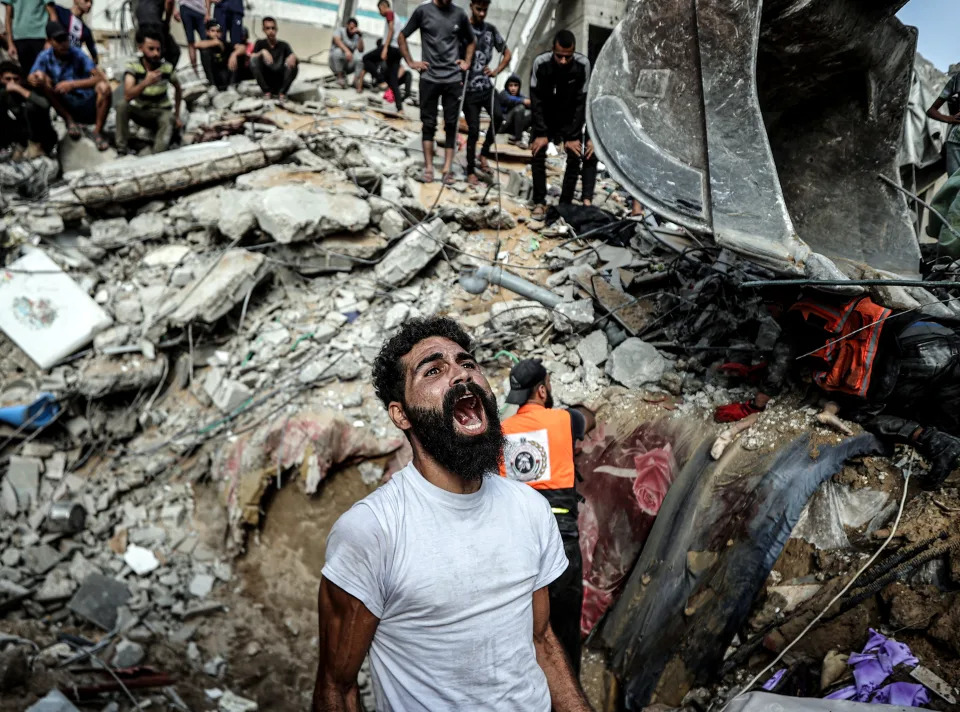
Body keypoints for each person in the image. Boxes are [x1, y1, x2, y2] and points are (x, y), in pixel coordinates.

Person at [313, 316, 594, 712]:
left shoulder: (530, 508)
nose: (461, 375)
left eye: (467, 363)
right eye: (434, 370)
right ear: (401, 414)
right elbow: (336, 688)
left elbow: (542, 639)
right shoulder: (372, 531)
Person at [713, 292, 960, 490]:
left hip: (906, 358)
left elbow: (780, 364)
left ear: (776, 302)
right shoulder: (837, 297)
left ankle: (932, 441)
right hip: (938, 336)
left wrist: (754, 406)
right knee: (948, 413)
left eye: (770, 309)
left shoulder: (799, 317)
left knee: (862, 414)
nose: (772, 315)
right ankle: (950, 447)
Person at [500, 358, 596, 676]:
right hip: (561, 537)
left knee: (525, 629)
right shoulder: (565, 420)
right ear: (541, 390)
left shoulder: (500, 433)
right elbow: (589, 419)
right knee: (566, 628)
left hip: (517, 542)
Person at [398, 0, 476, 185]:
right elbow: (401, 36)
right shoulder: (423, 12)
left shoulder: (459, 14)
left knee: (451, 125)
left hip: (452, 79)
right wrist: (411, 62)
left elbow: (472, 41)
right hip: (429, 78)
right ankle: (429, 169)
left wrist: (466, 62)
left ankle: (447, 170)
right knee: (428, 124)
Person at [529, 29, 597, 221]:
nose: (563, 61)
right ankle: (540, 201)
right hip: (547, 117)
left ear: (573, 52)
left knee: (574, 156)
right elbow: (536, 100)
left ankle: (565, 204)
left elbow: (581, 101)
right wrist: (541, 133)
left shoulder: (583, 65)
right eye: (559, 56)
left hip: (570, 118)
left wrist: (573, 136)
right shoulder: (540, 64)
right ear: (553, 50)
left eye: (568, 57)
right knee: (537, 152)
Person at [28, 20, 110, 149]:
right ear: (50, 41)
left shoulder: (77, 53)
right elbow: (32, 75)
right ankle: (69, 120)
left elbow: (100, 77)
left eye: (65, 39)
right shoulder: (45, 56)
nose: (63, 44)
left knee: (104, 88)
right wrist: (34, 79)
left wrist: (72, 84)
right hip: (65, 101)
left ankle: (97, 131)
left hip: (86, 99)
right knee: (42, 79)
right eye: (58, 40)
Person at [462, 0, 510, 185]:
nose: (482, 14)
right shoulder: (463, 28)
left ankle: (484, 153)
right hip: (468, 90)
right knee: (473, 129)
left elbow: (507, 53)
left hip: (486, 86)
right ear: (471, 6)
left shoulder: (490, 29)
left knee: (498, 116)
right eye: (478, 9)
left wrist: (496, 70)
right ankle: (469, 170)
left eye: (485, 10)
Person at [116, 26, 182, 155]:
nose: (156, 53)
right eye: (151, 49)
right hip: (142, 111)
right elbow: (128, 95)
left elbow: (178, 89)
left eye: (158, 49)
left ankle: (157, 155)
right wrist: (145, 82)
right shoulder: (133, 67)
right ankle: (121, 150)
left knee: (168, 119)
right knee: (122, 105)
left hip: (161, 112)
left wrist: (177, 116)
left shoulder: (167, 68)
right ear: (141, 48)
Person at [1, 57, 56, 154]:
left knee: (31, 107)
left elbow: (44, 104)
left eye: (15, 79)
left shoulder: (28, 87)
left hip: (40, 134)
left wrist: (20, 90)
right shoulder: (3, 91)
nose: (12, 82)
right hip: (17, 133)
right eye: (8, 79)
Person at [356, 0, 403, 110]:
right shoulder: (397, 18)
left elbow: (391, 30)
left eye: (379, 9)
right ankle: (400, 108)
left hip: (390, 47)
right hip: (398, 50)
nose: (379, 12)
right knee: (393, 81)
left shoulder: (390, 13)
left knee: (366, 58)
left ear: (383, 6)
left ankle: (381, 80)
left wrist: (385, 48)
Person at [3, 0, 57, 78]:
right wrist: (10, 43)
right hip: (19, 39)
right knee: (24, 75)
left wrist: (50, 40)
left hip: (41, 38)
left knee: (43, 74)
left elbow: (53, 15)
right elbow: (8, 17)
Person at [250, 16, 298, 100]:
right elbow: (252, 58)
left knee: (294, 63)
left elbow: (293, 57)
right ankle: (267, 92)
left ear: (276, 29)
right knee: (253, 61)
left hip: (280, 80)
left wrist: (294, 57)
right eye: (268, 28)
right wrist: (262, 52)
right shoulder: (260, 43)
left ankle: (282, 93)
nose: (271, 31)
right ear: (264, 30)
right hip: (266, 80)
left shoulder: (284, 45)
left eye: (273, 28)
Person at [927, 69, 960, 177]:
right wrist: (949, 118)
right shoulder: (956, 80)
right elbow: (932, 111)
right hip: (956, 141)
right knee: (954, 186)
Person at [195, 19, 242, 90]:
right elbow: (196, 45)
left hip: (226, 75)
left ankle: (232, 85)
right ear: (207, 32)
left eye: (218, 31)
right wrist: (216, 42)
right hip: (214, 76)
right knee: (205, 52)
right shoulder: (206, 44)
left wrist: (234, 55)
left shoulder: (225, 44)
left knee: (237, 54)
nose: (215, 33)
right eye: (212, 31)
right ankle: (212, 85)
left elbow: (242, 47)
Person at [133, 0, 180, 68]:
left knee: (148, 49)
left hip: (142, 17)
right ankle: (163, 75)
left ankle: (147, 73)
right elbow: (169, 1)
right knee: (171, 52)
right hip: (153, 18)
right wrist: (167, 21)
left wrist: (174, 10)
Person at [51, 0, 98, 65]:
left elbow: (95, 57)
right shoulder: (59, 12)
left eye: (91, 2)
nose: (89, 5)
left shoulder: (86, 30)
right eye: (86, 0)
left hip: (71, 67)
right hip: (54, 63)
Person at [174, 0, 207, 76]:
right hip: (186, 7)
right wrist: (174, 10)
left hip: (201, 10)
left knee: (205, 41)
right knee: (191, 41)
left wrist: (207, 11)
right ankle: (195, 72)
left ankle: (208, 72)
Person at [329, 16, 362, 89]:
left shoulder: (356, 36)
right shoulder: (340, 30)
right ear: (347, 25)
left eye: (354, 28)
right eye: (351, 28)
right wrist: (347, 51)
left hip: (347, 64)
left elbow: (361, 49)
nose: (352, 30)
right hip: (334, 62)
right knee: (338, 52)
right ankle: (339, 77)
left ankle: (355, 81)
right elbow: (337, 40)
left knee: (361, 59)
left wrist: (360, 36)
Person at [499, 72, 531, 144]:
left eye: (516, 85)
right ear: (507, 86)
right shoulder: (503, 94)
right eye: (511, 85)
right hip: (503, 125)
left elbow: (529, 103)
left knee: (534, 113)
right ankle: (518, 139)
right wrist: (524, 101)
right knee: (520, 108)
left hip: (513, 127)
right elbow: (510, 100)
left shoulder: (520, 95)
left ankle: (532, 139)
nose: (513, 88)